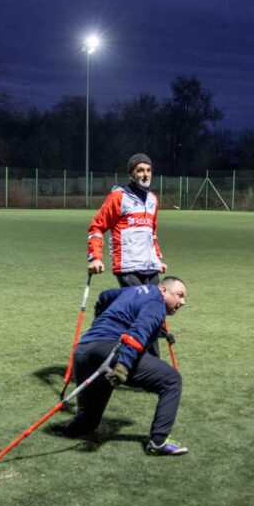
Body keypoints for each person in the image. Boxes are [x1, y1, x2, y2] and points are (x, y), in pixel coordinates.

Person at [58, 276, 189, 456]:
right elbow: (138, 332)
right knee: (172, 380)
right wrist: (123, 367)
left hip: (83, 351)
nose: (182, 302)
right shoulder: (156, 304)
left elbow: (104, 296)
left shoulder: (135, 291)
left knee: (88, 423)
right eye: (180, 295)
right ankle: (158, 441)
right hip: (110, 353)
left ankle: (74, 427)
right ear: (164, 290)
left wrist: (100, 321)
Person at [87, 153, 166, 287]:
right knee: (137, 304)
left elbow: (151, 234)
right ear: (131, 174)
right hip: (127, 267)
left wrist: (157, 259)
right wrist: (95, 258)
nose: (145, 174)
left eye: (148, 170)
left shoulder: (153, 199)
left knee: (154, 305)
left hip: (150, 266)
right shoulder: (118, 197)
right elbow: (96, 228)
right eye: (140, 170)